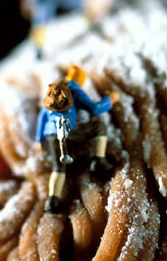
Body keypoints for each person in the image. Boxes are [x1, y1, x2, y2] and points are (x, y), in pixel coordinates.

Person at [35, 65, 119, 212]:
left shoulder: (53, 91)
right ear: (80, 80)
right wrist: (110, 99)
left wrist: (39, 140)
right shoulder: (75, 91)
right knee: (99, 127)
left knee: (58, 168)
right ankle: (98, 161)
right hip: (69, 131)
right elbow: (95, 109)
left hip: (51, 136)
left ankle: (52, 201)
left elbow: (42, 117)